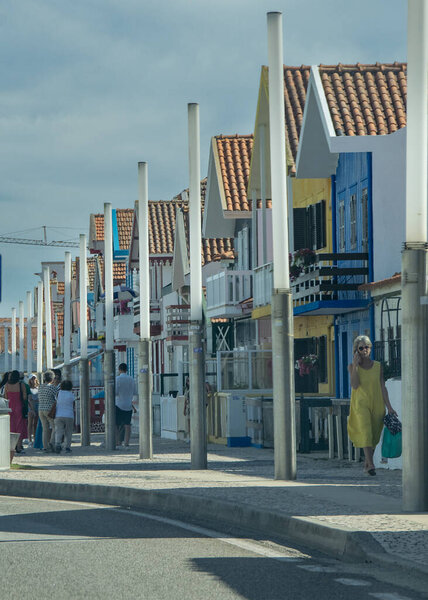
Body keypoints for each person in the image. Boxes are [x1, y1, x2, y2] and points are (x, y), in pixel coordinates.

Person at [347, 335, 396, 476]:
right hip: (360, 404)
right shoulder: (352, 367)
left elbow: (382, 387)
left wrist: (390, 407)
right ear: (356, 350)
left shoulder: (378, 366)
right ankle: (371, 464)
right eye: (361, 348)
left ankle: (367, 463)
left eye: (367, 347)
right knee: (365, 432)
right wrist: (356, 366)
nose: (364, 350)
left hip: (377, 403)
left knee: (374, 436)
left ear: (370, 348)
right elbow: (355, 385)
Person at [3, 370, 28, 453]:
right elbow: (24, 397)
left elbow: (6, 397)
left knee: (11, 427)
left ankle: (11, 446)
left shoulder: (6, 385)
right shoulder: (21, 385)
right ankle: (19, 446)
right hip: (19, 407)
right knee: (19, 426)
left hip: (10, 408)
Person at [115, 363, 137, 448]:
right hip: (128, 405)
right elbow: (135, 391)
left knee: (116, 424)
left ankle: (117, 442)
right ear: (126, 369)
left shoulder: (117, 379)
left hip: (119, 404)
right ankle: (126, 442)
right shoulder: (131, 379)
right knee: (127, 425)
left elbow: (115, 392)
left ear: (119, 369)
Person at [38, 370, 57, 452]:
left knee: (45, 429)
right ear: (52, 379)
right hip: (49, 410)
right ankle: (51, 443)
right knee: (54, 427)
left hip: (40, 409)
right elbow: (57, 397)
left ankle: (45, 446)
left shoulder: (40, 387)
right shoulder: (52, 387)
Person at [54, 380, 75, 454]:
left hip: (58, 414)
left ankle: (57, 444)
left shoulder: (58, 393)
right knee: (68, 432)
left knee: (59, 431)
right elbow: (73, 404)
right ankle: (67, 447)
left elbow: (56, 401)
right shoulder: (71, 394)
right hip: (69, 415)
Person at [27, 374, 39, 447]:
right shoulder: (28, 389)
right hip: (30, 408)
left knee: (36, 424)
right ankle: (29, 440)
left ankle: (35, 438)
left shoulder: (38, 388)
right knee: (30, 424)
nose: (33, 380)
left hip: (37, 407)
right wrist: (31, 409)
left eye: (34, 379)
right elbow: (29, 400)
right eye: (32, 379)